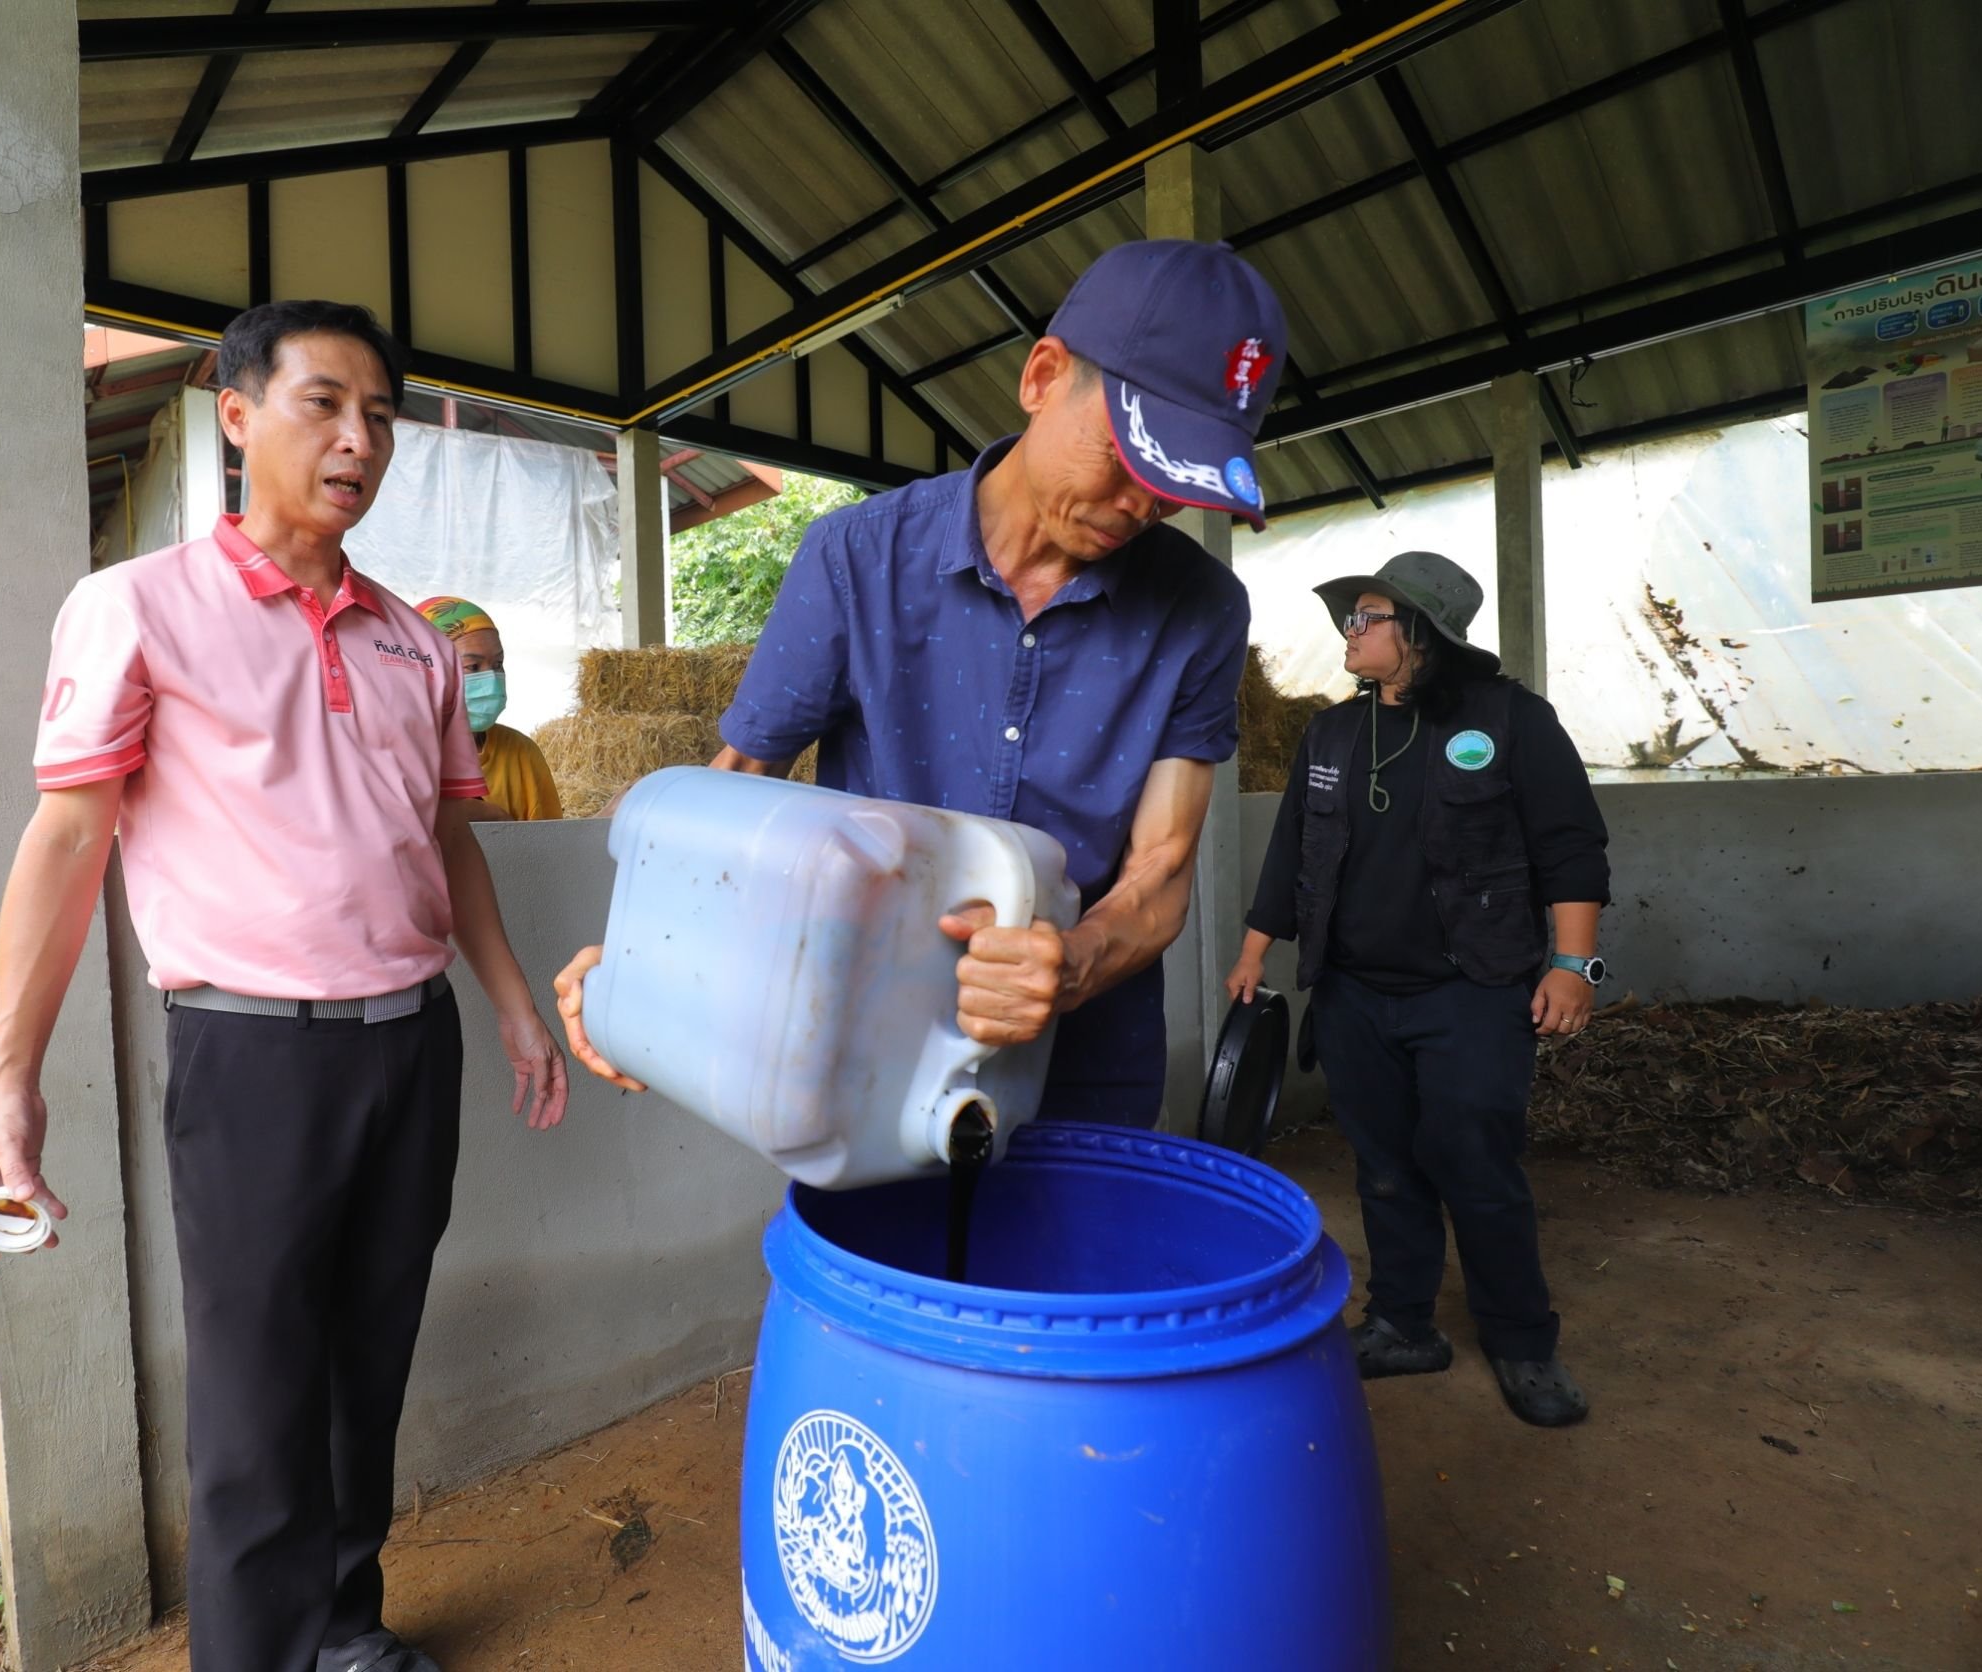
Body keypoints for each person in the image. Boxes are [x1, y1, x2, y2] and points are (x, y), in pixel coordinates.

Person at [0, 299, 569, 1672]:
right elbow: (65, 845)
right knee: (255, 1392)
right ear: (236, 415)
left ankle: (344, 1627)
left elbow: (447, 846)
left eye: (382, 416)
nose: (360, 439)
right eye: (324, 403)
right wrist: (8, 1085)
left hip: (413, 1047)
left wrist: (514, 1005)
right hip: (254, 1058)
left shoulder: (414, 645)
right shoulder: (138, 608)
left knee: (367, 1364)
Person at [555, 239, 1283, 1124]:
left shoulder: (1201, 607)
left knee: (1070, 1259)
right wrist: (646, 949)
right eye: (1131, 459)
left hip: (1086, 1061)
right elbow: (740, 783)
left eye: (1178, 487)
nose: (1145, 505)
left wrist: (1074, 962)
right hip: (863, 1044)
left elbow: (1163, 866)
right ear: (1043, 377)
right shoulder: (856, 558)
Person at [1225, 551, 1606, 1428]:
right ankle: (1403, 1324)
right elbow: (1291, 854)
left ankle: (1521, 1342)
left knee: (1476, 1163)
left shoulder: (1510, 720)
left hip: (1470, 990)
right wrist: (1254, 951)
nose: (1349, 632)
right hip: (1355, 994)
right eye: (1351, 618)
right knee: (1386, 1168)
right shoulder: (1329, 736)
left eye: (1367, 617)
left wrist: (1573, 965)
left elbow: (1571, 845)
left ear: (1420, 632)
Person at [412, 594, 562, 822]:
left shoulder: (521, 752)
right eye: (472, 666)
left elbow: (550, 845)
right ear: (423, 671)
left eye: (498, 664)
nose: (491, 678)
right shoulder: (399, 755)